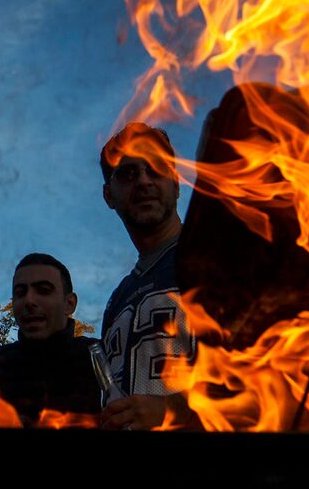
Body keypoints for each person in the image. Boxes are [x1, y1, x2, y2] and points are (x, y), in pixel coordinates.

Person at [99, 122, 198, 431]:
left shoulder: (221, 257)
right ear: (109, 195)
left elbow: (273, 375)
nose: (143, 181)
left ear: (177, 183)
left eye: (156, 168)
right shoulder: (118, 298)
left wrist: (173, 412)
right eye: (127, 173)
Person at [0, 253, 102, 427]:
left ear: (69, 304)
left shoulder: (98, 357)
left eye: (43, 290)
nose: (29, 300)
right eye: (20, 293)